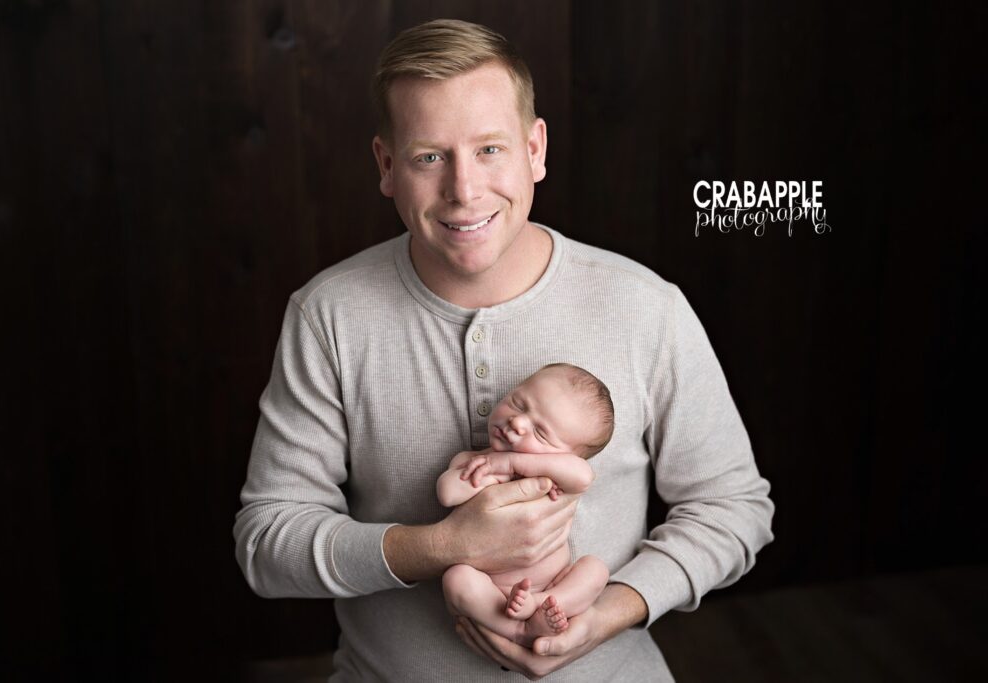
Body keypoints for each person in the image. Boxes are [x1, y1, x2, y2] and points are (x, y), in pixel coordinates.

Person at [233, 18, 774, 682]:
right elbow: (265, 544)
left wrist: (610, 611)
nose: (464, 189)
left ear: (535, 148)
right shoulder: (328, 316)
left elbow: (735, 507)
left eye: (490, 149)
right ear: (386, 166)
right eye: (430, 155)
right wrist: (437, 547)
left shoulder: (645, 307)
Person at [437, 363, 614, 648]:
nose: (518, 423)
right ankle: (517, 631)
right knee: (456, 580)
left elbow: (583, 475)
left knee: (595, 570)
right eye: (517, 403)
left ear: (567, 455)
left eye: (541, 434)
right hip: (490, 590)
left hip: (551, 585)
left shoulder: (557, 474)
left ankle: (543, 606)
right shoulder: (473, 461)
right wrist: (492, 472)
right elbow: (447, 493)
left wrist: (512, 462)